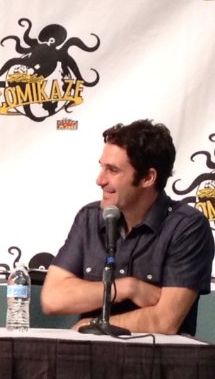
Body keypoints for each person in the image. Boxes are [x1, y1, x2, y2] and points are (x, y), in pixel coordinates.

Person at [41, 119, 214, 335]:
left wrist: (90, 325)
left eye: (112, 170)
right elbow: (52, 298)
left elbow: (165, 321)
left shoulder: (187, 228)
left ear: (147, 178)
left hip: (158, 364)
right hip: (90, 361)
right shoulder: (89, 218)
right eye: (101, 167)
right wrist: (125, 288)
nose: (99, 180)